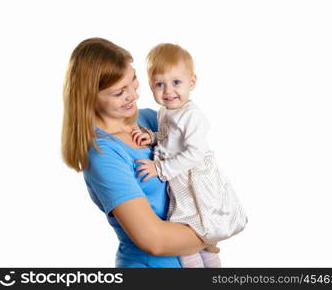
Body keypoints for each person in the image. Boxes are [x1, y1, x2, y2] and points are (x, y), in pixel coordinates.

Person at [61, 38, 219, 268]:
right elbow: (154, 240)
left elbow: (198, 161)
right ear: (89, 97)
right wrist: (216, 230)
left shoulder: (151, 118)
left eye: (133, 80)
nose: (133, 95)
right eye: (119, 92)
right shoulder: (103, 155)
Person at [132, 43, 248, 268]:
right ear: (151, 86)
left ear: (191, 82)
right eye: (159, 84)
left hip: (194, 181)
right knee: (190, 238)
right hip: (180, 180)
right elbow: (170, 138)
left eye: (176, 82)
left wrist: (160, 169)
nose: (168, 91)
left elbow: (194, 153)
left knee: (195, 234)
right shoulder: (166, 111)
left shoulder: (193, 116)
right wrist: (153, 137)